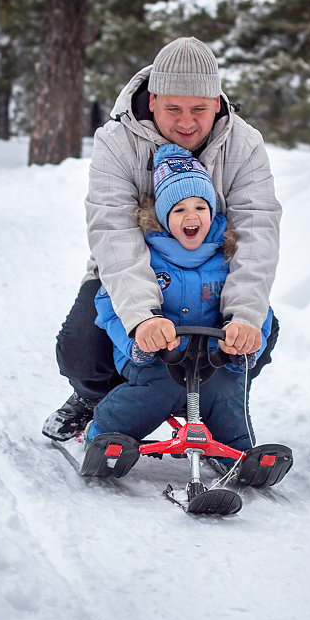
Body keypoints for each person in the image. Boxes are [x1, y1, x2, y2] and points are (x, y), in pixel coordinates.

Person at [42, 36, 282, 441]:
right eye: (173, 109)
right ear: (152, 100)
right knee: (81, 348)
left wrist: (243, 316)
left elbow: (257, 231)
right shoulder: (117, 142)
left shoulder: (244, 145)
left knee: (260, 329)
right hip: (132, 275)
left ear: (217, 104)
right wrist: (141, 318)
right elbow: (113, 232)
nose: (186, 123)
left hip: (211, 280)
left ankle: (206, 401)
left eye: (199, 110)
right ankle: (101, 399)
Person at [82, 144, 272, 452]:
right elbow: (110, 305)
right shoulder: (147, 256)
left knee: (225, 394)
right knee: (155, 391)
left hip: (213, 359)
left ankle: (238, 455)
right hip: (156, 357)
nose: (191, 216)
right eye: (179, 209)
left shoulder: (226, 256)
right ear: (163, 216)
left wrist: (247, 339)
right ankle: (104, 432)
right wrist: (138, 339)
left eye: (200, 207)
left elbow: (259, 304)